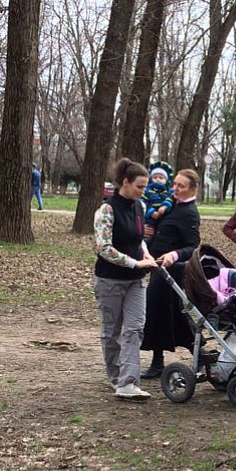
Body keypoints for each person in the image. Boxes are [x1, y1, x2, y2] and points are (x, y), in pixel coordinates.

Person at [93, 158, 157, 399]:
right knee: (112, 331)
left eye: (145, 187)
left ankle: (128, 382)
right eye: (139, 186)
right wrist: (134, 262)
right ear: (126, 183)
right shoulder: (107, 210)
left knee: (135, 329)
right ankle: (116, 376)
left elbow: (138, 238)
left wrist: (146, 255)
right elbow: (104, 247)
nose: (143, 191)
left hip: (136, 281)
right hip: (110, 280)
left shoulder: (138, 207)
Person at [140, 169, 203, 378]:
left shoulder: (189, 212)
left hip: (172, 270)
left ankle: (163, 361)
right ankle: (198, 354)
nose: (175, 188)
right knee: (171, 313)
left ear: (192, 189)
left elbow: (193, 245)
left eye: (181, 186)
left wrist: (174, 255)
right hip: (158, 266)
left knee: (161, 312)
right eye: (174, 184)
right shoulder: (170, 205)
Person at [143, 161, 175, 237]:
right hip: (150, 219)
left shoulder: (168, 191)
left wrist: (165, 206)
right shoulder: (147, 190)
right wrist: (151, 212)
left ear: (166, 180)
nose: (158, 179)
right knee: (149, 233)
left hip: (164, 218)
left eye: (161, 177)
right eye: (155, 177)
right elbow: (143, 202)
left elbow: (171, 198)